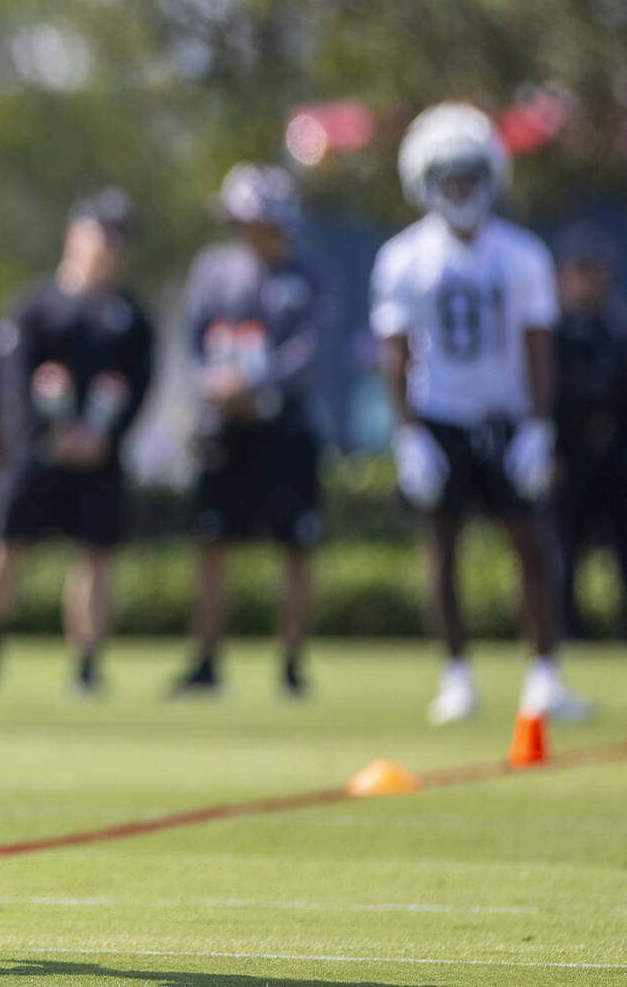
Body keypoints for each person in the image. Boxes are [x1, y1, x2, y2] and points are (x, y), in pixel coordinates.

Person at [369, 101, 592, 725]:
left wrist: (538, 428)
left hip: (507, 415)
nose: (462, 189)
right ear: (425, 181)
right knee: (442, 549)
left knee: (531, 545)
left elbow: (539, 347)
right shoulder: (403, 259)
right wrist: (409, 435)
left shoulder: (521, 256)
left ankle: (545, 677)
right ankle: (456, 677)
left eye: (471, 176)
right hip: (440, 414)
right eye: (450, 178)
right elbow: (395, 352)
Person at [0, 189, 153, 693]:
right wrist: (46, 434)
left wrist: (103, 438)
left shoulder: (133, 318)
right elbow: (10, 382)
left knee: (97, 555)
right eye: (103, 234)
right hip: (34, 455)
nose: (111, 248)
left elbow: (140, 387)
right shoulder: (35, 307)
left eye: (120, 239)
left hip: (99, 457)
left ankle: (88, 667)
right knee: (3, 547)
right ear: (76, 235)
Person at [172, 163, 325, 698]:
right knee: (212, 542)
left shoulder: (303, 276)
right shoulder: (212, 270)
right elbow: (195, 341)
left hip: (284, 428)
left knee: (295, 547)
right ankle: (207, 660)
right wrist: (216, 387)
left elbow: (306, 349)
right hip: (224, 428)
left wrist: (258, 387)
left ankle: (292, 665)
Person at [551, 223, 627, 641]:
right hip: (570, 451)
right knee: (565, 548)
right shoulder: (554, 331)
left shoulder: (616, 328)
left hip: (615, 452)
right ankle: (567, 630)